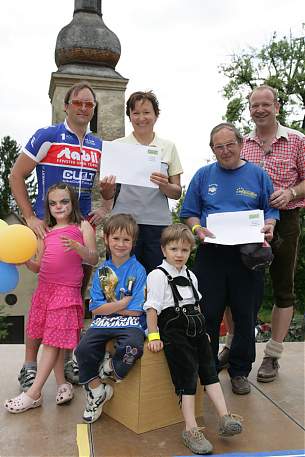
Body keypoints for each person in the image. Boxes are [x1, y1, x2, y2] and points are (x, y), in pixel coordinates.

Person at [9, 81, 111, 390]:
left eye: (89, 104)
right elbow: (16, 175)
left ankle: (67, 362)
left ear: (93, 110)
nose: (83, 107)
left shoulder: (98, 145)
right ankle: (30, 364)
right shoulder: (47, 136)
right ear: (66, 106)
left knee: (73, 301)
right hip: (48, 229)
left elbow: (109, 189)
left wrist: (106, 205)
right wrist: (29, 217)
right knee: (42, 299)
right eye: (78, 102)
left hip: (82, 230)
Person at [180, 122, 279, 395]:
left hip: (248, 257)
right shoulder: (203, 175)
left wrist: (269, 225)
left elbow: (271, 211)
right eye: (218, 147)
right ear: (212, 149)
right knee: (207, 315)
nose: (225, 151)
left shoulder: (258, 175)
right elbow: (189, 213)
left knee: (245, 316)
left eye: (229, 145)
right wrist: (198, 229)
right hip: (212, 254)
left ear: (241, 144)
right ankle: (208, 370)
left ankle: (239, 372)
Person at [220, 86, 305, 382]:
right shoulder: (243, 144)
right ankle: (231, 345)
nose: (259, 110)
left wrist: (292, 191)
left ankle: (273, 354)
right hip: (248, 221)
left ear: (277, 107)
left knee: (283, 287)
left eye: (265, 104)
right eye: (254, 105)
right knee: (235, 284)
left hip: (286, 218)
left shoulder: (296, 140)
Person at [144, 223, 242, 455]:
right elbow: (152, 310)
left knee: (210, 370)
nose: (179, 255)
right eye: (174, 249)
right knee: (187, 376)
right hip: (174, 332)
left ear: (190, 252)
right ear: (163, 250)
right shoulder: (157, 276)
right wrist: (154, 335)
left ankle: (225, 417)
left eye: (184, 250)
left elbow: (195, 305)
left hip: (197, 330)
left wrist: (204, 330)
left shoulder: (190, 275)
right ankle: (191, 429)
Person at [4, 183, 98, 414]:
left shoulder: (83, 226)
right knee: (51, 338)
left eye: (64, 202)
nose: (59, 207)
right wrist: (26, 260)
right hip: (45, 290)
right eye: (53, 203)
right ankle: (63, 384)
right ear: (48, 206)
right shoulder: (45, 231)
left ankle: (33, 393)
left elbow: (94, 258)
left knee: (53, 341)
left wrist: (79, 248)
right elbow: (38, 266)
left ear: (72, 202)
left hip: (66, 291)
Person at [100, 90, 183, 273]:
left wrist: (165, 185)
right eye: (135, 113)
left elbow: (177, 192)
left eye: (146, 112)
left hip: (158, 226)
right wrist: (106, 189)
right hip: (123, 225)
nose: (141, 118)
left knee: (157, 279)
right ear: (129, 116)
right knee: (121, 279)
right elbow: (107, 194)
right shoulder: (117, 146)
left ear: (156, 115)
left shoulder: (168, 147)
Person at [75, 214, 147, 424]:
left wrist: (110, 308)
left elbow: (136, 312)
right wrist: (122, 304)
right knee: (82, 350)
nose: (121, 244)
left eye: (126, 239)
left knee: (133, 347)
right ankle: (97, 391)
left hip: (130, 325)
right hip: (103, 324)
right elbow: (95, 309)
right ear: (106, 239)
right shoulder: (102, 271)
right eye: (116, 238)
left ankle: (111, 369)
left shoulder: (138, 270)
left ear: (133, 242)